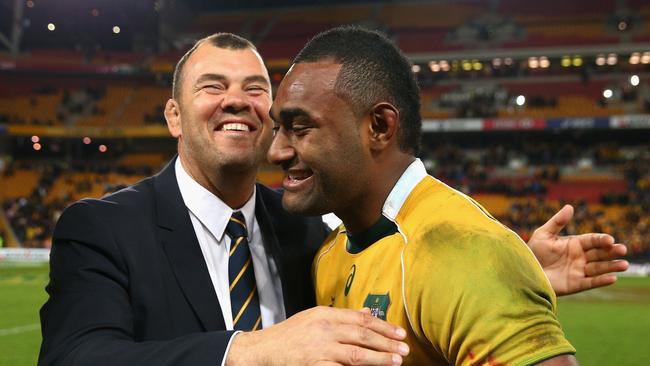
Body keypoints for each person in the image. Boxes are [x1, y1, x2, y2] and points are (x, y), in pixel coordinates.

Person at [40, 31, 626, 366]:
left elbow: (399, 288)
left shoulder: (310, 234)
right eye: (212, 86)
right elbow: (75, 360)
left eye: (255, 89)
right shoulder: (101, 228)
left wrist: (501, 268)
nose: (237, 101)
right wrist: (248, 352)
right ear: (173, 115)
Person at [267, 26, 626, 365]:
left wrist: (490, 272)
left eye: (300, 128)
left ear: (379, 127)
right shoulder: (329, 253)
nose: (276, 152)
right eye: (277, 128)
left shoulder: (462, 250)